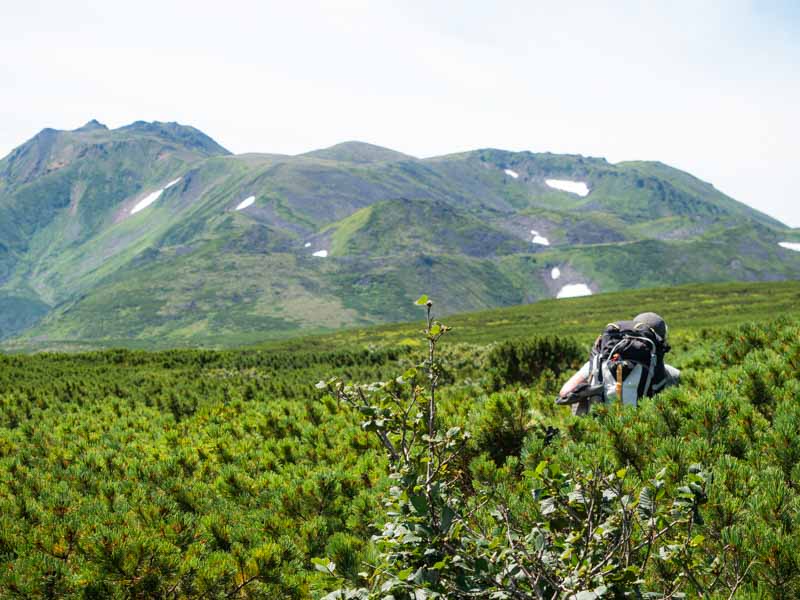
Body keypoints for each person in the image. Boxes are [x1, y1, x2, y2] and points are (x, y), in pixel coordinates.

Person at [558, 312, 680, 415]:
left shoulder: (598, 364)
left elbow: (564, 392)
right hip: (643, 433)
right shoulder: (671, 374)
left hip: (599, 432)